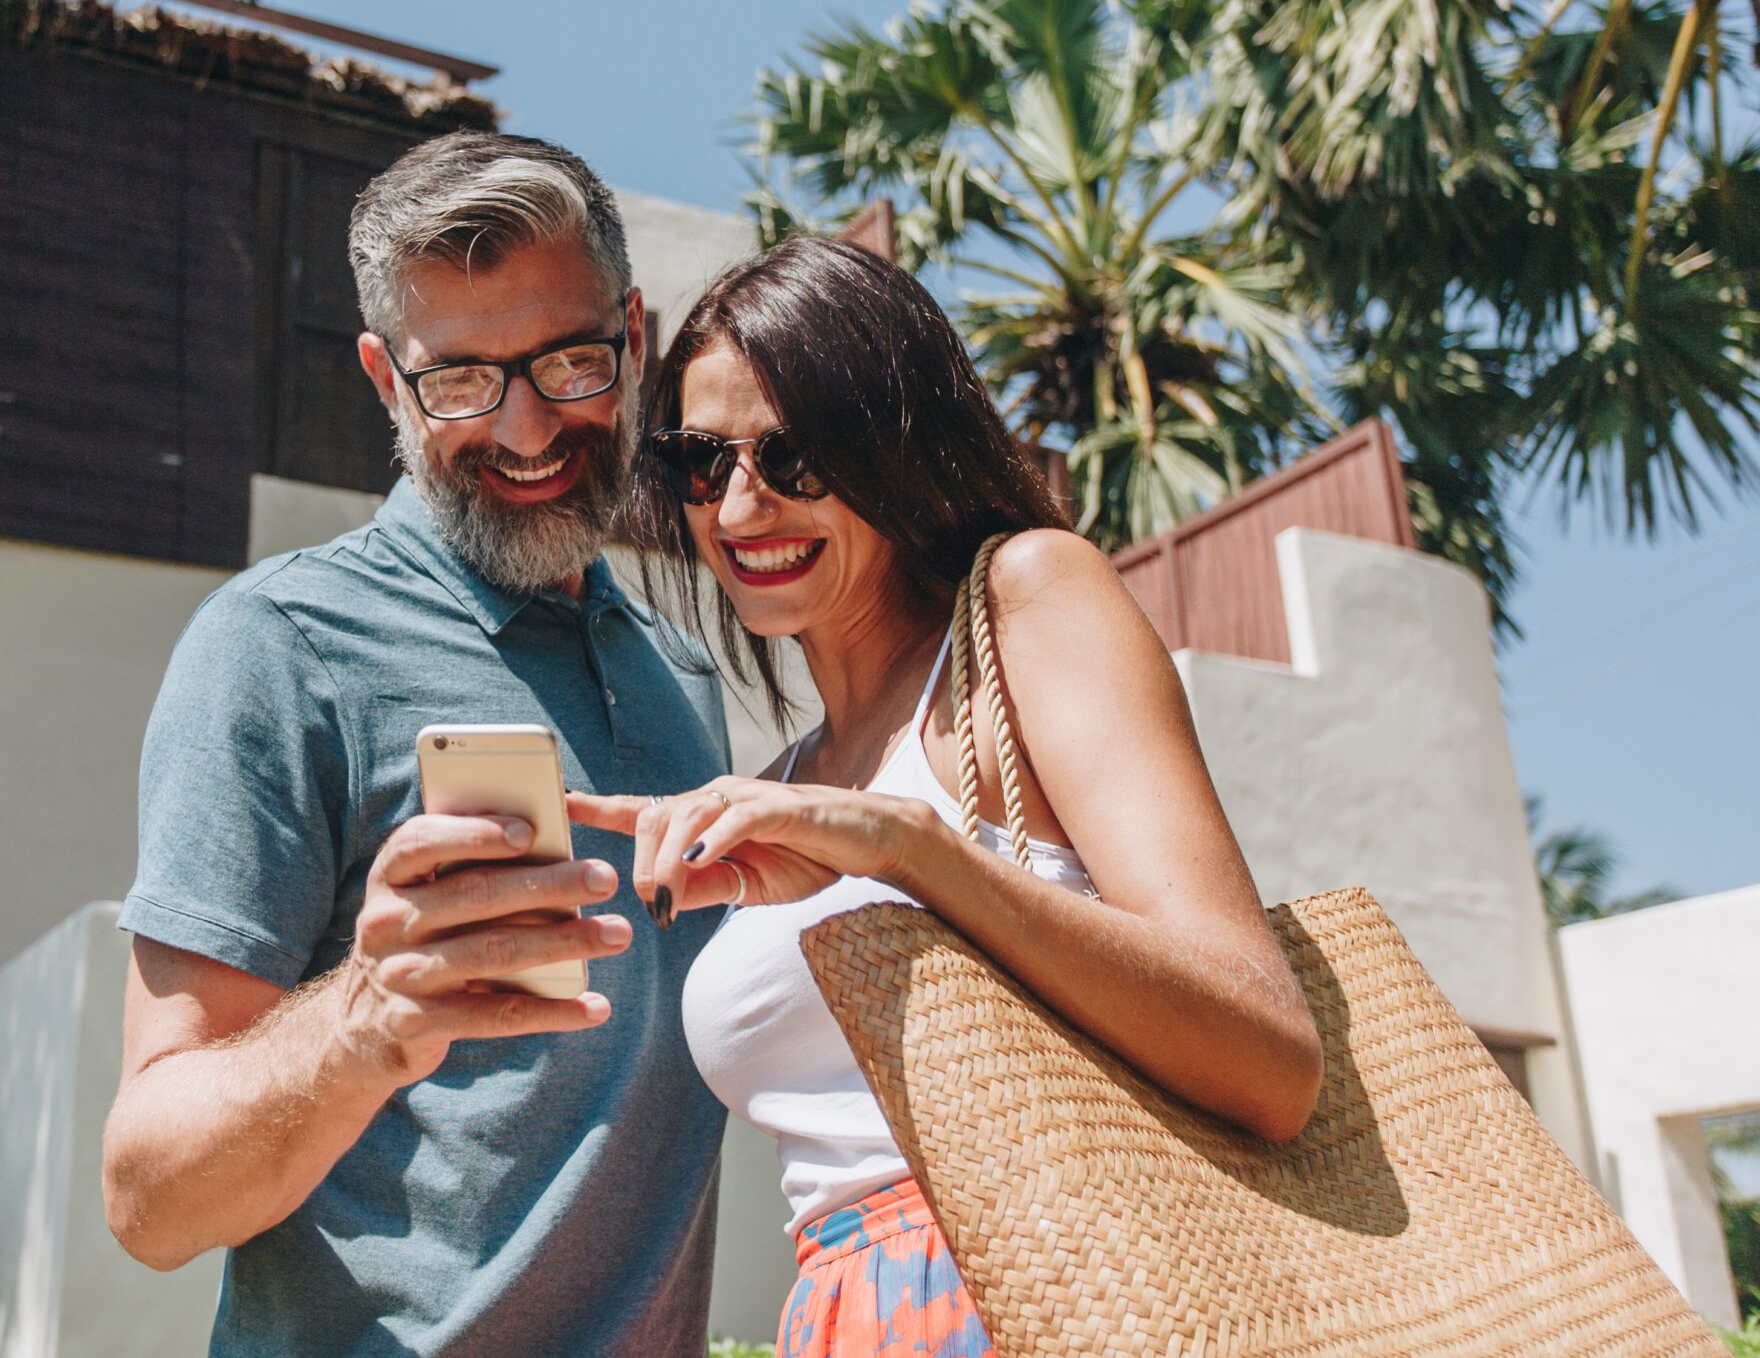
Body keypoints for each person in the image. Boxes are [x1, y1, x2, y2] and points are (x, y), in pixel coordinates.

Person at [571, 237, 1326, 1358]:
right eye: (699, 460)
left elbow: (1272, 1056)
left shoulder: (1028, 599)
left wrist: (914, 850)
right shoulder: (785, 784)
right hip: (846, 1312)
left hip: (1067, 1288)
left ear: (897, 447)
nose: (739, 508)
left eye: (795, 458)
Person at [103, 132, 735, 1356]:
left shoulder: (687, 681)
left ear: (635, 338)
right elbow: (149, 1200)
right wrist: (364, 1022)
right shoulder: (280, 645)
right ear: (386, 382)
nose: (527, 427)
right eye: (459, 381)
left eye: (567, 360)